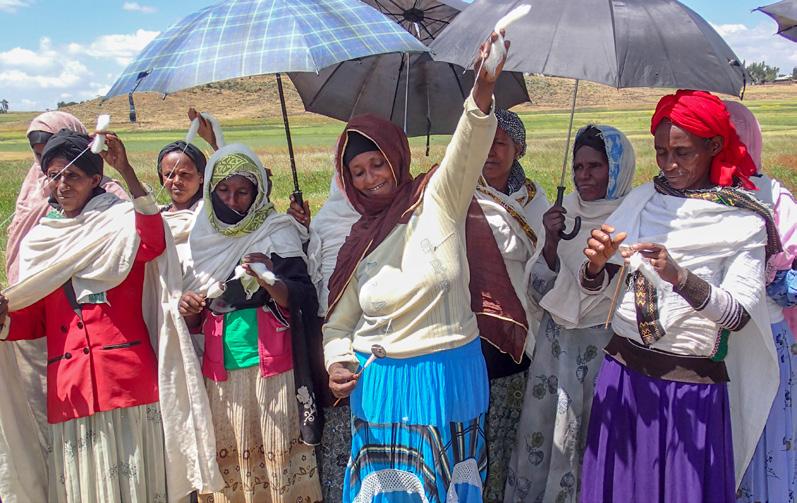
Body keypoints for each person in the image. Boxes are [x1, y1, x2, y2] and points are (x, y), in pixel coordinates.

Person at [322, 33, 510, 502]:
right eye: (359, 172)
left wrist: (483, 87)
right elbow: (338, 325)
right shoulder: (358, 241)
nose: (371, 178)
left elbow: (467, 146)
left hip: (449, 375)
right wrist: (338, 361)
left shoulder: (437, 199)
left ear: (396, 158)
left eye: (377, 164)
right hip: (382, 383)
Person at [578, 90, 781, 502]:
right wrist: (596, 265)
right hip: (623, 377)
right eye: (661, 151)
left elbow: (738, 315)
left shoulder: (744, 220)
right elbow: (596, 285)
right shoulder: (643, 200)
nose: (669, 164)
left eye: (683, 153)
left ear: (714, 146)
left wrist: (679, 276)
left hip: (687, 391)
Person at [0, 130, 220, 502]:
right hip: (71, 393)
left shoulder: (119, 225)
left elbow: (153, 241)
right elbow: (36, 321)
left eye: (72, 175)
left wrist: (129, 173)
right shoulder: (41, 241)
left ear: (95, 180)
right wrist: (4, 320)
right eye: (54, 175)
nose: (62, 184)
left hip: (129, 384)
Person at [179, 143, 322, 503]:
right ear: (210, 192)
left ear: (258, 191)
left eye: (243, 191)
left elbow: (304, 296)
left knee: (276, 462)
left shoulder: (278, 230)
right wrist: (189, 307)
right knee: (232, 467)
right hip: (220, 374)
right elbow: (197, 316)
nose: (232, 200)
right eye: (223, 191)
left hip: (273, 372)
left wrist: (270, 280)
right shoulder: (201, 237)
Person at [504, 124, 636, 503]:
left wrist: (598, 270)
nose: (584, 176)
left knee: (593, 438)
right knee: (546, 436)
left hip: (602, 351)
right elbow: (539, 290)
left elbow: (622, 289)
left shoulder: (630, 219)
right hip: (555, 349)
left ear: (616, 168)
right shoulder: (563, 216)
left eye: (595, 166)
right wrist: (549, 240)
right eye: (578, 167)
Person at [3, 113, 130, 473]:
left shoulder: (111, 203)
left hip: (104, 343)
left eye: (50, 141)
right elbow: (26, 254)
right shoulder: (36, 189)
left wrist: (129, 174)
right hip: (38, 316)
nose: (60, 183)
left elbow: (140, 241)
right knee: (45, 417)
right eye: (36, 147)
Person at [475, 108, 548, 503]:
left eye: (500, 142)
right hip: (471, 331)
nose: (490, 151)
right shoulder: (458, 193)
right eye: (483, 141)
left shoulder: (536, 203)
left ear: (518, 149)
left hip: (521, 332)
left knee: (509, 436)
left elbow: (547, 267)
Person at [725, 101, 797, 503]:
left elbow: (793, 283)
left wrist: (769, 276)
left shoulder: (776, 198)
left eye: (736, 140)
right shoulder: (705, 197)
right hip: (719, 344)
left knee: (765, 438)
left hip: (766, 339)